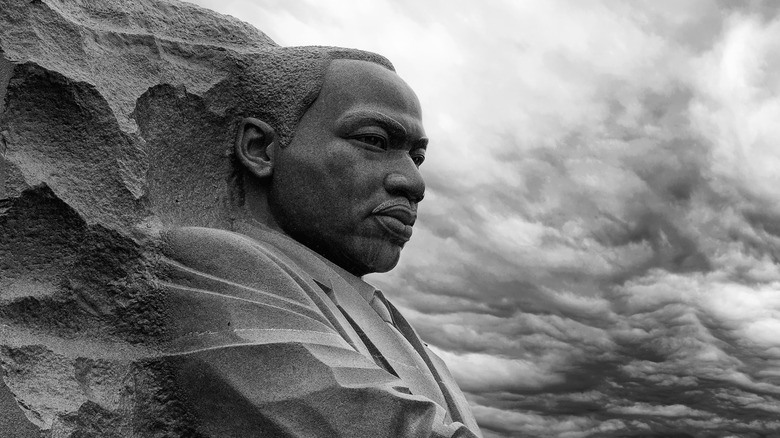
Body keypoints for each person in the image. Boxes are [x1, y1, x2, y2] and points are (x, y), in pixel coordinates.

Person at [155, 47, 483, 437]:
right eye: (374, 140)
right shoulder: (214, 261)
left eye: (417, 156)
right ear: (260, 149)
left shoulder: (388, 316)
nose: (414, 183)